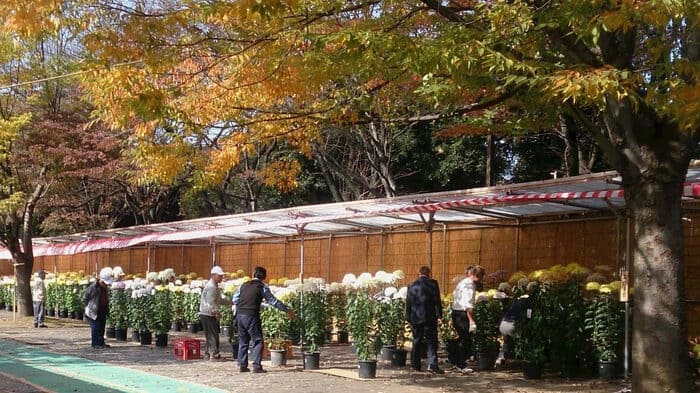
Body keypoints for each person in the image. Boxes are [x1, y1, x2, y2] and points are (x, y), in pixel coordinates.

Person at [232, 266, 296, 373]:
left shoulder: (243, 285)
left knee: (243, 341)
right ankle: (256, 366)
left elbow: (235, 299)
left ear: (253, 274)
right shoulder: (262, 287)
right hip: (252, 315)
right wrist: (287, 311)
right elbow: (273, 301)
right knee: (258, 340)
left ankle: (242, 364)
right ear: (264, 277)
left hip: (240, 315)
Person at [406, 265, 444, 374]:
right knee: (431, 341)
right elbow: (437, 301)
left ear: (419, 273)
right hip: (429, 317)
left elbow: (408, 303)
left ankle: (415, 365)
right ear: (429, 274)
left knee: (416, 340)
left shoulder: (411, 285)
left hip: (416, 317)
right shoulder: (433, 284)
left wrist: (408, 317)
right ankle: (432, 365)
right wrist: (439, 316)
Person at [450, 265, 485, 373]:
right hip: (462, 314)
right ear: (476, 275)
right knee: (465, 340)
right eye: (480, 277)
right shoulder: (469, 286)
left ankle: (454, 360)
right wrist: (472, 321)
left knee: (461, 338)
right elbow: (468, 307)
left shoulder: (463, 282)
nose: (480, 280)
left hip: (455, 312)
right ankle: (461, 364)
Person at [199, 265, 232, 361]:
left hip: (206, 313)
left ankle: (208, 354)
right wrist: (216, 312)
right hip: (208, 314)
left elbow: (219, 300)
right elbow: (210, 302)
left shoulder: (214, 286)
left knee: (210, 334)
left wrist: (230, 302)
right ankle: (214, 354)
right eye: (219, 276)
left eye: (222, 276)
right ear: (213, 275)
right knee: (213, 335)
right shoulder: (211, 287)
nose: (221, 278)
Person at [83, 267, 113, 349]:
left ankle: (101, 343)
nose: (106, 284)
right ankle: (95, 343)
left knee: (101, 328)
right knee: (95, 328)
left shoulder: (105, 287)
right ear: (101, 280)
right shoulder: (93, 287)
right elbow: (85, 298)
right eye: (104, 283)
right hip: (93, 311)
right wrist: (89, 306)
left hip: (102, 309)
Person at [497, 295, 532, 364]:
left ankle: (501, 357)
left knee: (508, 342)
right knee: (524, 340)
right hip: (513, 324)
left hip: (503, 324)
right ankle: (526, 359)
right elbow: (529, 316)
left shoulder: (515, 303)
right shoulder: (529, 303)